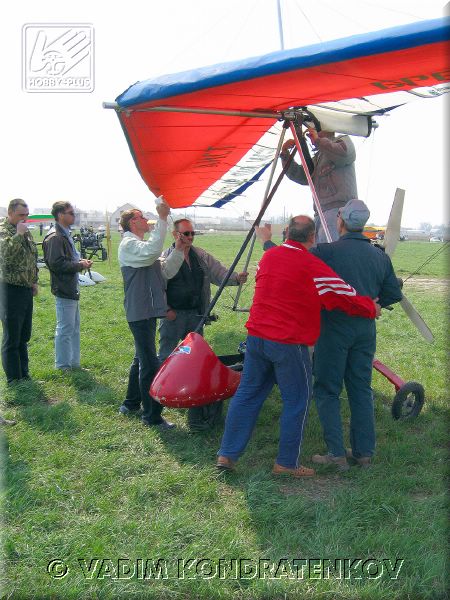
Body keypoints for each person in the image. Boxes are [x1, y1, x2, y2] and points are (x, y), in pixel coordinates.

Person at [216, 216, 381, 477]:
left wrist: (266, 240)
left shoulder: (269, 257)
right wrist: (371, 307)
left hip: (257, 338)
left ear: (287, 233)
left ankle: (227, 454)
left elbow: (279, 263)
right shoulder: (311, 265)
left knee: (247, 395)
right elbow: (342, 292)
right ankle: (287, 463)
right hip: (288, 343)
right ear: (313, 237)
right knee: (297, 400)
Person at [310, 199, 403, 469]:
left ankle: (336, 453)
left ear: (340, 221)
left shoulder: (324, 252)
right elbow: (392, 294)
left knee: (327, 388)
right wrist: (374, 305)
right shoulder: (380, 256)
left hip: (333, 329)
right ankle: (363, 453)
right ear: (362, 225)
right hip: (364, 330)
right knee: (360, 388)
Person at [158, 218, 248, 431]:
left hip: (196, 315)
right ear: (175, 234)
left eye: (192, 234)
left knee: (196, 360)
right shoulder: (164, 258)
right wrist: (165, 310)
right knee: (166, 357)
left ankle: (191, 396)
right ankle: (160, 399)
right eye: (185, 234)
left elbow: (219, 273)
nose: (189, 237)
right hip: (173, 316)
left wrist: (236, 278)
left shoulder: (201, 256)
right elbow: (157, 285)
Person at [118, 203, 185, 429]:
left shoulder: (138, 246)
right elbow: (151, 253)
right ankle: (152, 416)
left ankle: (131, 403)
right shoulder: (129, 244)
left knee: (141, 358)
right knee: (149, 363)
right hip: (140, 311)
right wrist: (163, 218)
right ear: (132, 222)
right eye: (141, 216)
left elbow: (165, 271)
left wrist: (177, 249)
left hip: (144, 310)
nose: (146, 218)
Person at [280, 128, 357, 242]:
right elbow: (302, 175)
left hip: (338, 210)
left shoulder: (342, 141)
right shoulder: (319, 156)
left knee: (329, 251)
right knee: (319, 251)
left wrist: (318, 141)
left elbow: (344, 155)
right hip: (321, 211)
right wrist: (285, 153)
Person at [43, 202, 92, 370]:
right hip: (63, 287)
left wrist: (79, 262)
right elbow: (57, 264)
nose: (74, 215)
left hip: (70, 286)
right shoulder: (55, 237)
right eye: (70, 213)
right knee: (65, 329)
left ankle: (73, 364)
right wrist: (80, 265)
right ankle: (63, 366)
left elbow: (66, 260)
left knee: (73, 328)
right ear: (60, 215)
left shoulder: (64, 234)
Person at [0, 199, 38, 384]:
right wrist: (17, 235)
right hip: (9, 288)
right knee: (12, 336)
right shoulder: (4, 230)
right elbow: (5, 254)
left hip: (25, 288)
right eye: (21, 215)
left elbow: (32, 257)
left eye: (27, 215)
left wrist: (34, 281)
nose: (25, 218)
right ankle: (14, 379)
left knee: (24, 334)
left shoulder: (25, 231)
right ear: (10, 213)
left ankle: (24, 373)